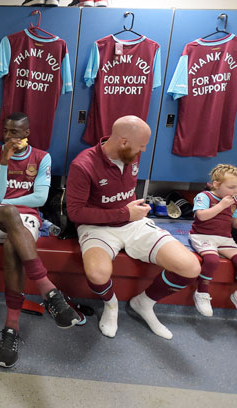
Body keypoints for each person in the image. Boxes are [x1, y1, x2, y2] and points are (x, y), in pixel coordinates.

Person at [66, 115, 201, 340]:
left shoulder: (131, 155)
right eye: (142, 145)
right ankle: (111, 305)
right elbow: (75, 213)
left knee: (190, 267)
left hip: (134, 223)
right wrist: (124, 213)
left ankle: (144, 303)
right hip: (98, 227)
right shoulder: (84, 164)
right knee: (97, 273)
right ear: (123, 142)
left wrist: (132, 211)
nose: (144, 150)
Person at [0, 112, 80, 368]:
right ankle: (49, 290)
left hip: (26, 219)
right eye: (8, 132)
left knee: (14, 244)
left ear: (27, 134)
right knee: (10, 214)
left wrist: (4, 202)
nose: (12, 137)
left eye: (17, 132)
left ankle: (11, 330)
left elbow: (40, 199)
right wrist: (4, 161)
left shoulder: (42, 157)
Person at [190, 164, 237, 319]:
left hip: (224, 237)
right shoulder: (204, 196)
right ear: (216, 184)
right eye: (232, 187)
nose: (236, 191)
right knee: (212, 260)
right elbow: (201, 216)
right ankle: (202, 292)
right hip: (202, 235)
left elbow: (232, 221)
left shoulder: (235, 200)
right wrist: (221, 205)